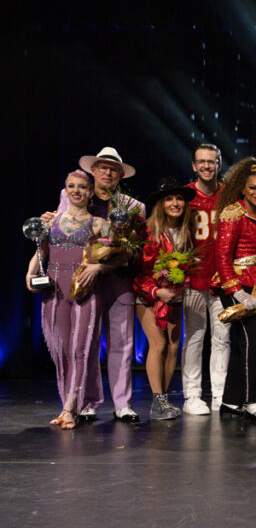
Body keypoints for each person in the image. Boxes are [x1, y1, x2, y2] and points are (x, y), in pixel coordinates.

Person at [45, 147, 147, 423]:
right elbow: (60, 230)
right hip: (80, 283)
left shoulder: (134, 207)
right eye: (102, 167)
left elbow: (136, 250)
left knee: (122, 342)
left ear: (120, 175)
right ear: (93, 171)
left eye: (113, 169)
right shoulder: (76, 197)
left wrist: (103, 265)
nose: (107, 173)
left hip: (117, 280)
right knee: (84, 344)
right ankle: (88, 401)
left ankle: (123, 404)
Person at [27, 170, 108, 429]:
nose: (76, 190)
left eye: (82, 187)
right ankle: (68, 404)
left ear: (90, 191)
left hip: (83, 289)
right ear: (65, 189)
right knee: (61, 349)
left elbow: (112, 256)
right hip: (55, 289)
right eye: (71, 186)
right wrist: (29, 274)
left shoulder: (98, 224)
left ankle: (70, 407)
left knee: (80, 349)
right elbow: (41, 252)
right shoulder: (51, 221)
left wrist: (98, 269)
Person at [214, 157, 256, 423]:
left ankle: (230, 401)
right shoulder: (233, 213)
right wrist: (237, 292)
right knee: (253, 344)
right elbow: (222, 256)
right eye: (253, 188)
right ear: (242, 189)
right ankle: (252, 403)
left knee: (245, 346)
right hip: (238, 285)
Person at [134, 178, 197, 421]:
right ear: (161, 204)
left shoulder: (187, 231)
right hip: (148, 297)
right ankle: (158, 400)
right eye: (169, 199)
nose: (175, 203)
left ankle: (162, 400)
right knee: (158, 345)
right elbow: (139, 272)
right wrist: (156, 292)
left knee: (173, 347)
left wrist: (183, 284)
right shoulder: (149, 230)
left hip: (175, 297)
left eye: (179, 198)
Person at [181, 143, 229, 415]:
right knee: (195, 337)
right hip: (193, 279)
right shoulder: (185, 196)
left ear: (219, 165)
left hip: (222, 280)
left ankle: (220, 395)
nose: (207, 166)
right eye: (201, 162)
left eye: (212, 161)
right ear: (194, 166)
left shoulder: (230, 197)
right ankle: (192, 396)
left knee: (222, 340)